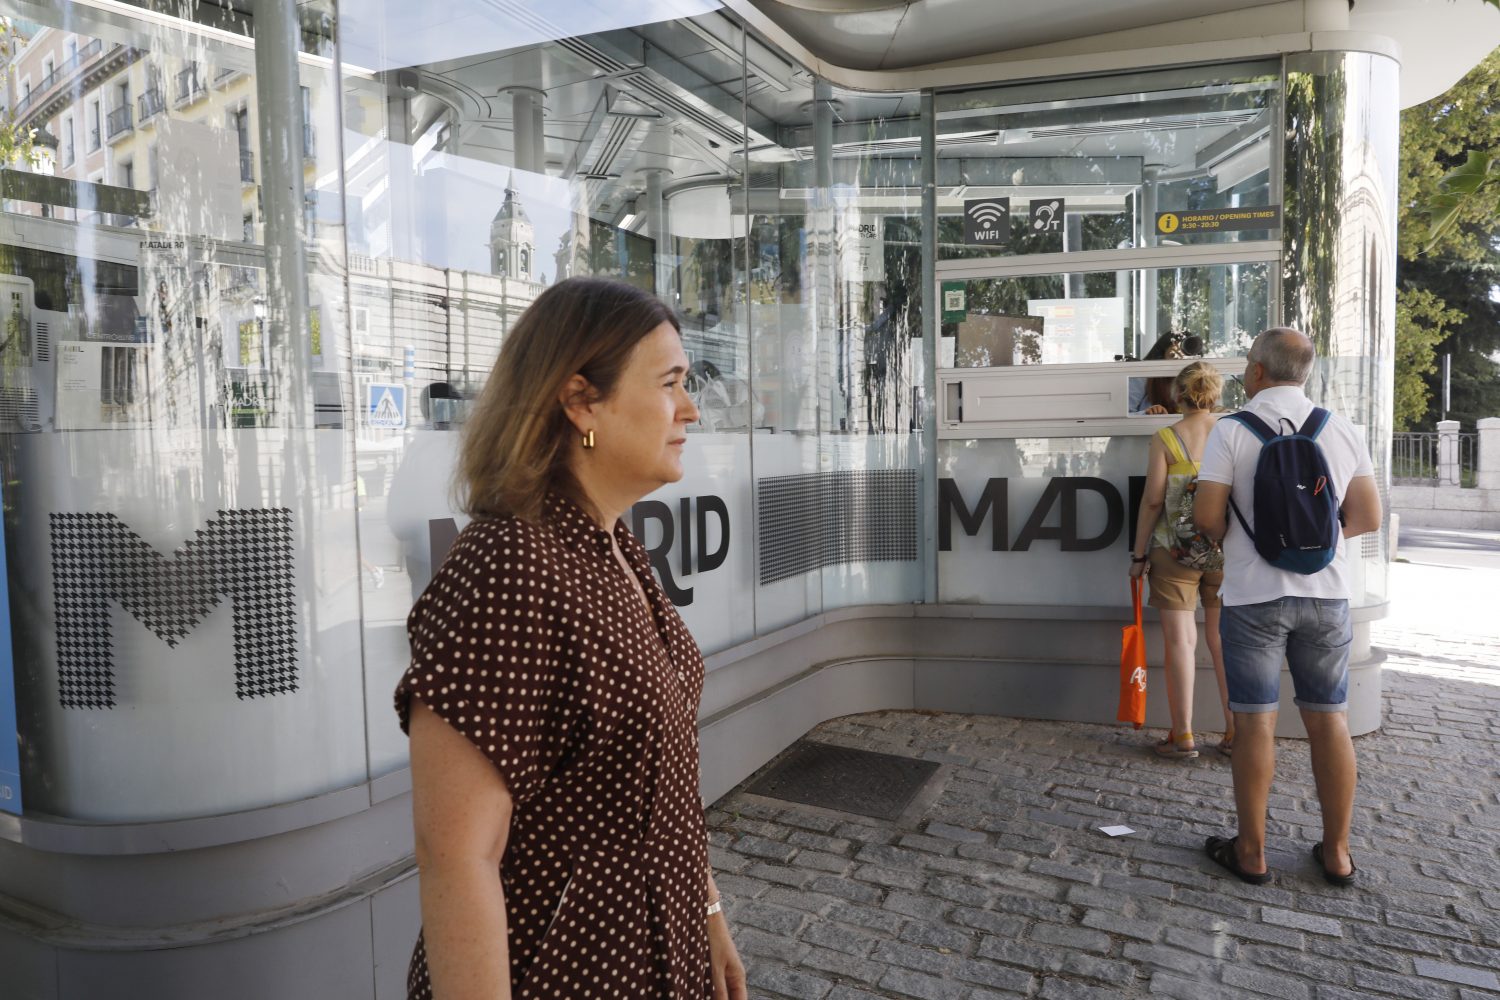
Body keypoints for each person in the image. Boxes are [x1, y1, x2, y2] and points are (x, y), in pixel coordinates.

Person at [393, 277, 747, 999]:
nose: (690, 409)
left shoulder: (614, 545)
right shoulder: (509, 567)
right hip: (566, 972)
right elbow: (457, 856)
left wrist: (706, 912)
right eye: (670, 384)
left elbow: (662, 782)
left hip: (658, 952)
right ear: (581, 401)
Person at [1193, 327, 1382, 886]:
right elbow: (1367, 517)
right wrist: (1310, 542)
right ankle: (1338, 853)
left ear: (1256, 370)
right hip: (1326, 596)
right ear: (1305, 372)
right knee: (1330, 719)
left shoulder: (1231, 430)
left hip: (1253, 595)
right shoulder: (1340, 428)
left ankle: (1252, 852)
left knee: (1255, 722)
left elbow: (1207, 518)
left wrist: (1254, 543)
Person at [1128, 361, 1234, 760]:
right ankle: (1235, 731)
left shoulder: (1167, 438)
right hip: (1225, 552)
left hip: (1173, 552)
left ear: (1178, 393)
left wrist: (1139, 555)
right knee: (1223, 641)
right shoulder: (1231, 431)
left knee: (1181, 642)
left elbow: (1153, 500)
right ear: (1215, 393)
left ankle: (1183, 734)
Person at [1129, 332, 1186, 414]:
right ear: (1162, 353)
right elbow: (1124, 412)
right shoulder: (1143, 375)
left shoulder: (1194, 379)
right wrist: (1148, 413)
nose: (1180, 358)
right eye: (1173, 355)